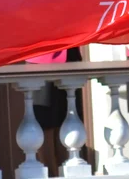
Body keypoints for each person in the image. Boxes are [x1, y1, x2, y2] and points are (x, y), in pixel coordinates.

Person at [29, 48, 84, 177]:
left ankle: (67, 172)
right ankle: (51, 174)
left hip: (70, 55)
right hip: (41, 56)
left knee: (68, 118)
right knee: (45, 121)